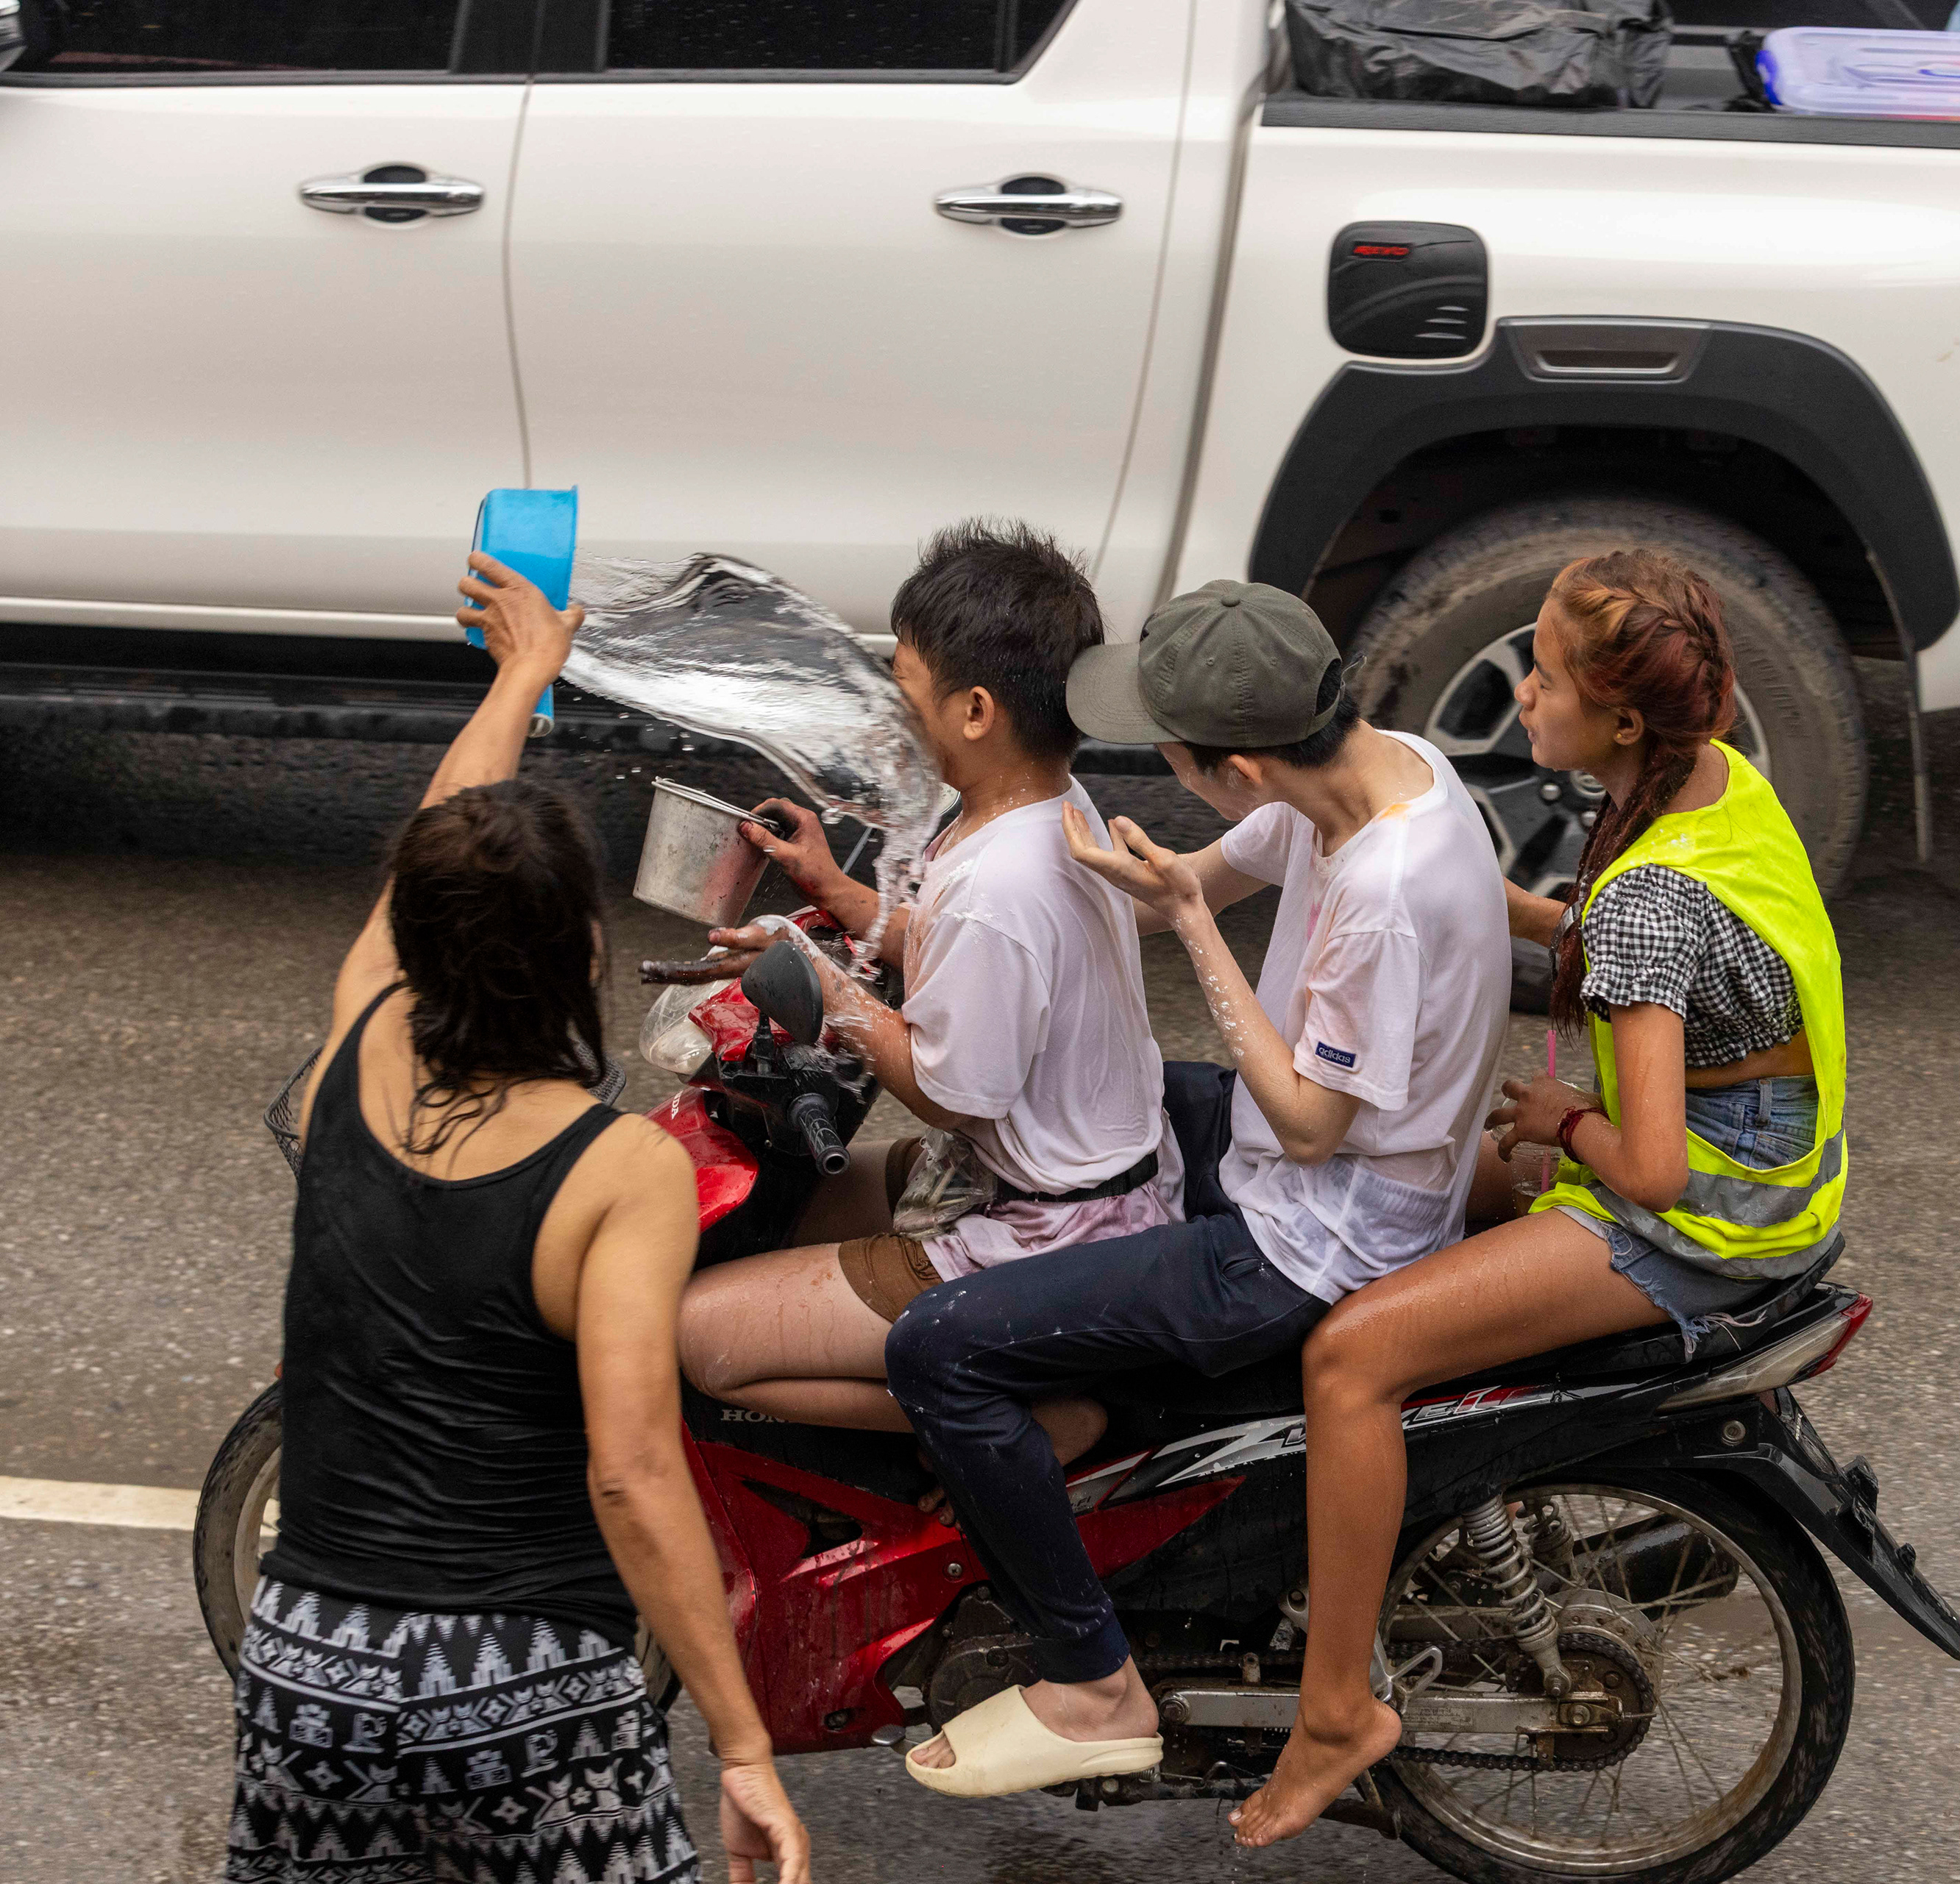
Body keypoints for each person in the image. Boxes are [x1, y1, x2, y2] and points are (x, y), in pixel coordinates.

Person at [1230, 549, 1851, 1846]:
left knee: (1351, 1358)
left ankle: (1334, 1709)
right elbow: (1604, 943)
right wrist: (1476, 886)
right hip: (1782, 1185)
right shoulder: (1715, 785)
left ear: (1622, 721)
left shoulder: (1644, 903)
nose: (1521, 691)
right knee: (1426, 1192)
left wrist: (1562, 1118)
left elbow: (1656, 1164)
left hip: (1691, 1225)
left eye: (1548, 676)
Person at [225, 552, 809, 1883]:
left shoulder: (354, 1047)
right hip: (525, 1684)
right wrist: (740, 1743)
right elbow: (632, 1472)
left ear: (418, 937)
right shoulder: (618, 1173)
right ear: (583, 957)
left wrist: (526, 670)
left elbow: (438, 841)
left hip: (309, 1662)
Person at [877, 580, 1510, 1799]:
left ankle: (1090, 1678)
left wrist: (1189, 926)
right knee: (1098, 1093)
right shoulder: (1388, 765)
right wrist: (972, 895)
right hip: (1297, 1159)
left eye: (1171, 749)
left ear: (1240, 767)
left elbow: (1311, 1123)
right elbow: (1196, 882)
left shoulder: (1381, 894)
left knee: (937, 1351)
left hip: (1315, 1235)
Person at [676, 522, 1172, 1472]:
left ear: (976, 708)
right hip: (1069, 1190)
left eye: (904, 681)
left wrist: (829, 993)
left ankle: (1027, 1420)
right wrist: (832, 891)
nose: (891, 702)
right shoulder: (1040, 807)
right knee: (789, 1213)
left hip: (1041, 1239)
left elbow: (953, 1090)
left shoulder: (1002, 881)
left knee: (705, 1334)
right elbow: (964, 952)